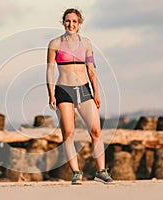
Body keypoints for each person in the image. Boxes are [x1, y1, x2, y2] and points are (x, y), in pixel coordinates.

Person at [46, 8, 113, 185]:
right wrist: (51, 93)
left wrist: (96, 92)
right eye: (68, 21)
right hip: (63, 90)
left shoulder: (87, 43)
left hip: (83, 89)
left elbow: (91, 69)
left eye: (74, 21)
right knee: (68, 133)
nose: (71, 24)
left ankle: (101, 171)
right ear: (63, 22)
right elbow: (50, 70)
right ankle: (76, 172)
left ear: (79, 23)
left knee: (96, 131)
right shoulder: (54, 43)